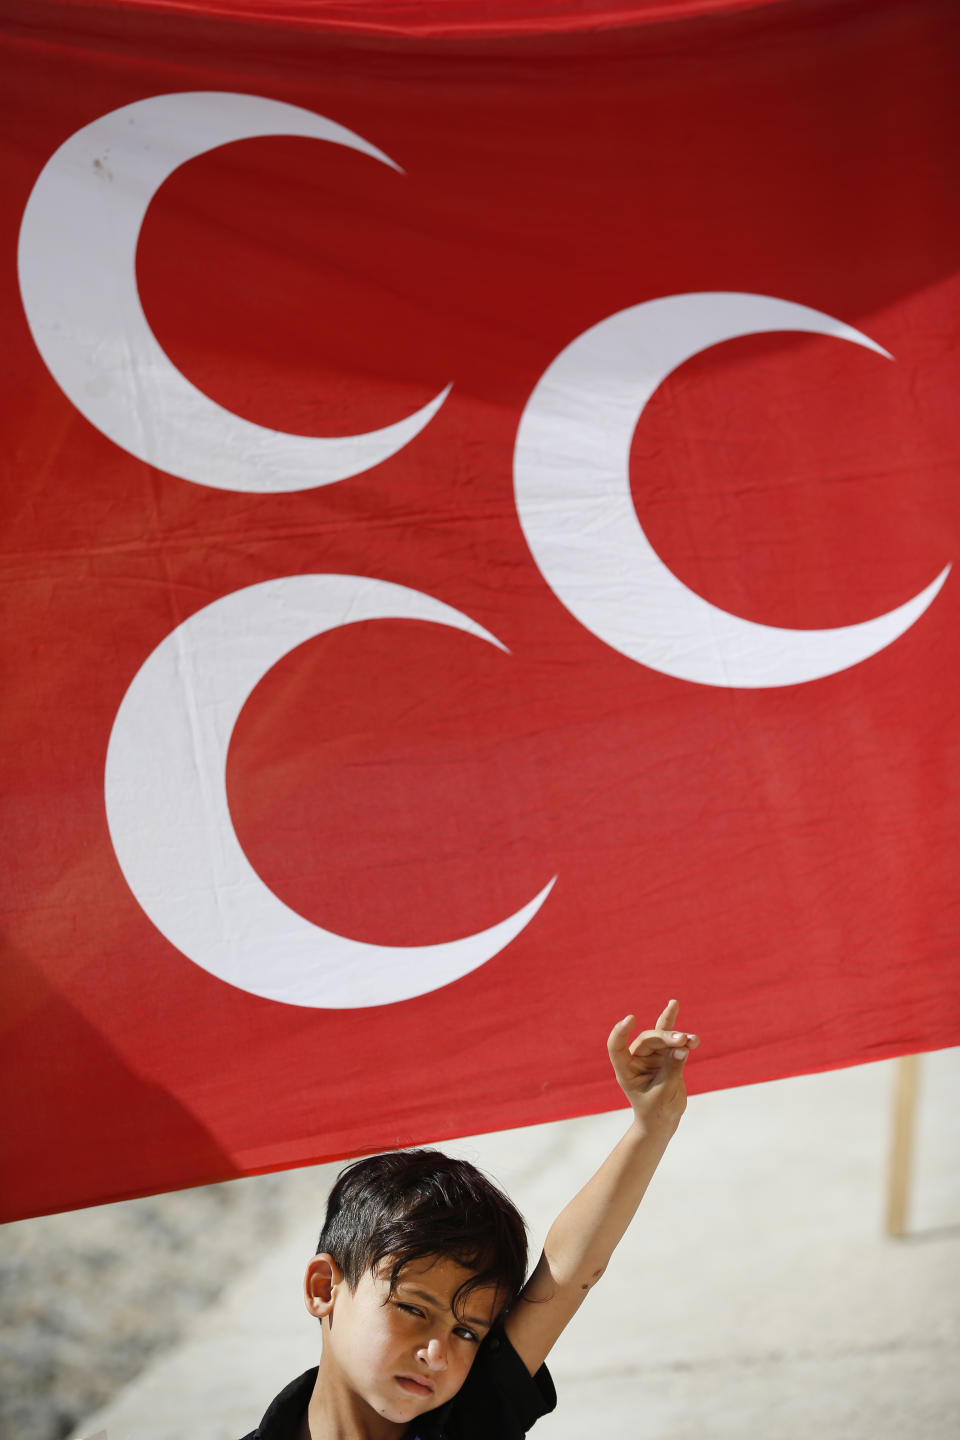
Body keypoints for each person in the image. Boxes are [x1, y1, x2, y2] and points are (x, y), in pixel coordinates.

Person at [241, 999, 699, 1439]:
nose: (437, 1355)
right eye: (414, 1309)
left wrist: (651, 1125)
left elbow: (569, 1270)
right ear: (324, 1288)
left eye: (466, 1331)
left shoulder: (474, 1418)